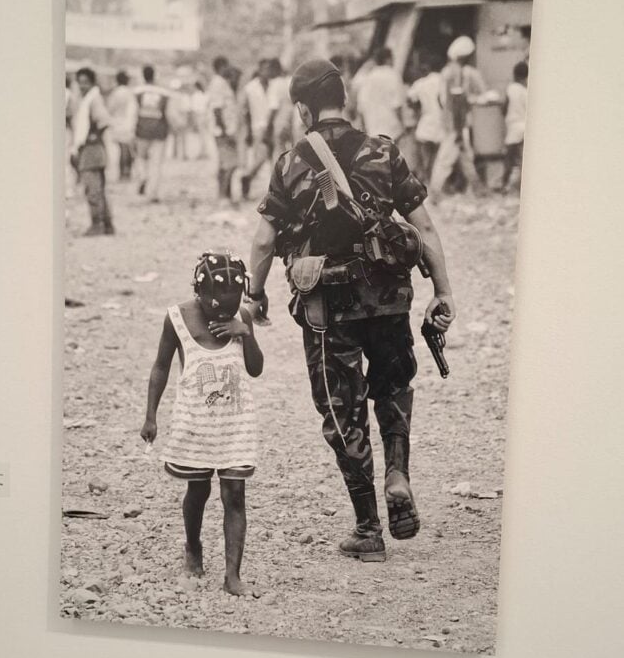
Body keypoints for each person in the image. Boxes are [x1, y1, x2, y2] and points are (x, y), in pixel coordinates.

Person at [246, 58, 455, 562]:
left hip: (327, 308)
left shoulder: (292, 163)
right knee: (393, 387)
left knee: (343, 411)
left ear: (301, 108)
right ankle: (398, 473)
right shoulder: (384, 152)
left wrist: (256, 295)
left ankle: (367, 529)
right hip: (389, 301)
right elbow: (424, 228)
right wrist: (442, 293)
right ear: (346, 98)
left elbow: (263, 239)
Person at [140, 252, 264, 595]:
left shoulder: (240, 317)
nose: (223, 313)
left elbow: (255, 369)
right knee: (198, 490)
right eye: (216, 307)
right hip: (195, 422)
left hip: (236, 423)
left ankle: (232, 575)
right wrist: (151, 414)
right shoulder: (177, 319)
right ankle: (193, 547)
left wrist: (245, 332)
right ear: (200, 294)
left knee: (234, 493)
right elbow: (161, 366)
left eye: (231, 307)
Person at [428, 36, 486, 202]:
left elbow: (442, 100)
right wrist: (459, 129)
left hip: (451, 122)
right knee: (446, 159)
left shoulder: (448, 71)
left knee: (466, 157)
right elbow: (457, 102)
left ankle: (477, 188)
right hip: (455, 124)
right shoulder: (457, 73)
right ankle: (434, 193)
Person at [71, 67, 114, 236]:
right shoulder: (88, 99)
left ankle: (97, 225)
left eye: (85, 83)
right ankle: (108, 225)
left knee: (93, 189)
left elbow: (103, 121)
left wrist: (94, 136)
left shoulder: (93, 100)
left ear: (91, 83)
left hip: (92, 151)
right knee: (99, 189)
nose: (82, 86)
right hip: (94, 150)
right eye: (80, 83)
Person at [133, 65, 170, 202]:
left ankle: (142, 176)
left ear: (143, 75)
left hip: (141, 129)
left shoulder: (137, 91)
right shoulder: (163, 92)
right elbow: (168, 112)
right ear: (154, 75)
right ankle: (153, 193)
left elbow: (133, 111)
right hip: (159, 130)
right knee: (156, 162)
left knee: (140, 157)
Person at [408, 53, 445, 184]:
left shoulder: (420, 83)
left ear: (428, 67)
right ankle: (437, 183)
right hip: (442, 123)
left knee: (426, 157)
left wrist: (418, 110)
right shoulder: (444, 81)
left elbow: (410, 99)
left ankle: (427, 181)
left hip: (426, 122)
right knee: (440, 158)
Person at [238, 58, 272, 199]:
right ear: (259, 70)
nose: (267, 72)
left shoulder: (274, 85)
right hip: (258, 127)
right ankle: (248, 176)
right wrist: (248, 131)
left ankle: (275, 191)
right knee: (261, 158)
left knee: (275, 159)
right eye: (264, 69)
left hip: (272, 127)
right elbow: (245, 111)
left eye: (269, 69)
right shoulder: (250, 88)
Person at [208, 56, 240, 203]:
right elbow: (217, 110)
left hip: (227, 130)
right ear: (221, 66)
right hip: (223, 131)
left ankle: (226, 194)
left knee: (227, 164)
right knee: (229, 164)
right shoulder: (218, 83)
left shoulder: (222, 83)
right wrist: (224, 130)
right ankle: (223, 196)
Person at [356, 47, 405, 140]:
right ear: (388, 59)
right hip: (392, 129)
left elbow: (361, 105)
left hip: (373, 129)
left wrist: (364, 128)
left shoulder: (367, 77)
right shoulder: (393, 75)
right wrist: (403, 125)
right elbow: (397, 104)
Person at [500, 61, 528, 193]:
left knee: (510, 160)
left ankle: (505, 185)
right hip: (524, 126)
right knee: (523, 160)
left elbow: (504, 108)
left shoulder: (511, 88)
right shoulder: (525, 91)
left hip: (513, 127)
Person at [107, 70, 137, 180]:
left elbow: (110, 109)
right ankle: (126, 172)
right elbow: (133, 109)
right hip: (128, 123)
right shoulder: (130, 93)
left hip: (117, 123)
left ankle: (123, 172)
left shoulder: (115, 93)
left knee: (122, 149)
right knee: (127, 149)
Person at [266, 58, 293, 158]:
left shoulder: (274, 84)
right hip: (289, 122)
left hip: (279, 122)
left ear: (274, 69)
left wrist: (268, 126)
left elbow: (273, 107)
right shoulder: (287, 82)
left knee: (278, 152)